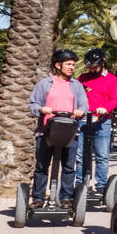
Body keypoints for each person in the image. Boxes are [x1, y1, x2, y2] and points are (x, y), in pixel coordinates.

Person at [28, 48, 87, 205]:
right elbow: (33, 104)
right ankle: (38, 198)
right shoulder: (44, 84)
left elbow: (84, 105)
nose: (72, 68)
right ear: (58, 65)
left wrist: (80, 111)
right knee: (42, 167)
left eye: (73, 65)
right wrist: (41, 109)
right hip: (46, 131)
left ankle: (66, 197)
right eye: (68, 64)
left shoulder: (77, 85)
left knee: (68, 167)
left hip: (70, 132)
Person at [74, 47, 117, 196]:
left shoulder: (113, 80)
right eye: (90, 67)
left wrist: (105, 108)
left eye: (95, 67)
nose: (92, 70)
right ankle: (81, 184)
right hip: (84, 120)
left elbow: (115, 100)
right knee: (80, 155)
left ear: (103, 62)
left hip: (102, 121)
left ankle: (101, 186)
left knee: (102, 155)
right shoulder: (82, 78)